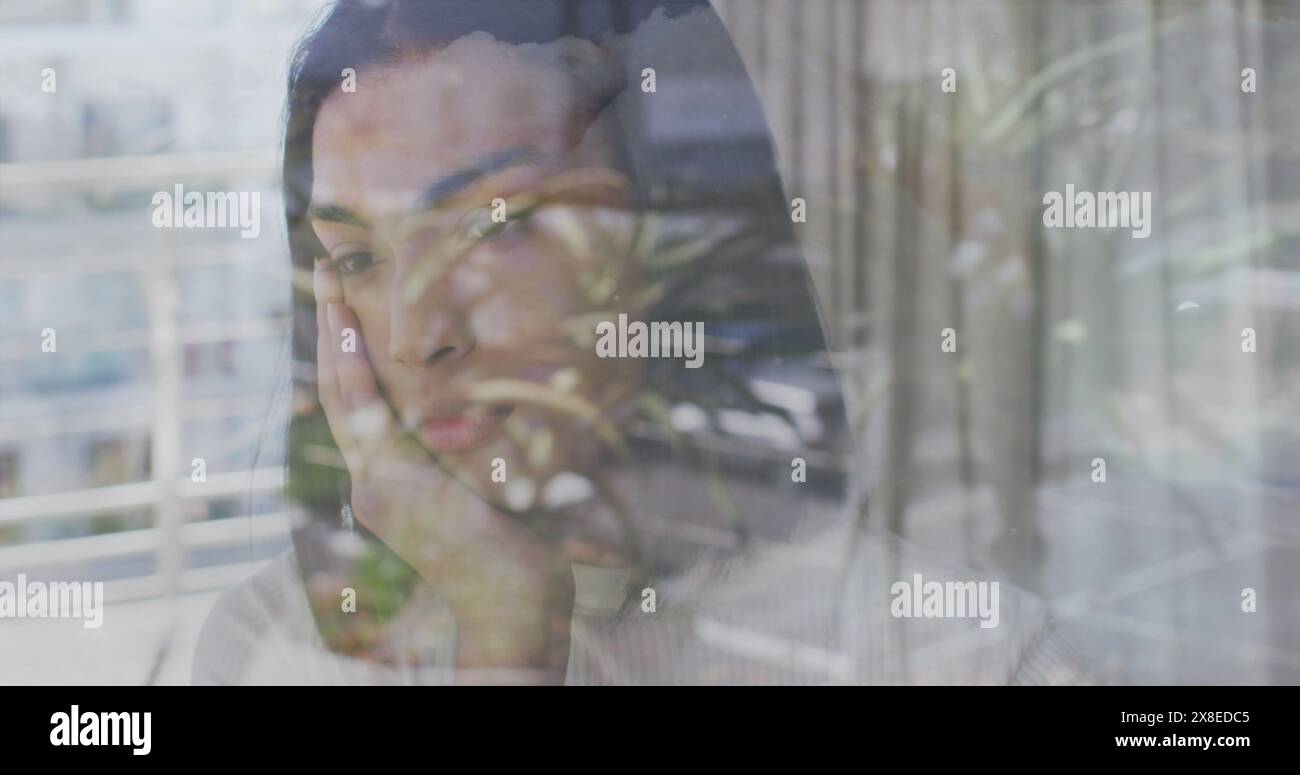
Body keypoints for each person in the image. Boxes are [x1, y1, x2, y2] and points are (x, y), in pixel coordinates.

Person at [194, 0, 1089, 685]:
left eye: (494, 225)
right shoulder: (273, 646)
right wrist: (508, 635)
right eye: (357, 256)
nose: (416, 334)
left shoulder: (954, 652)